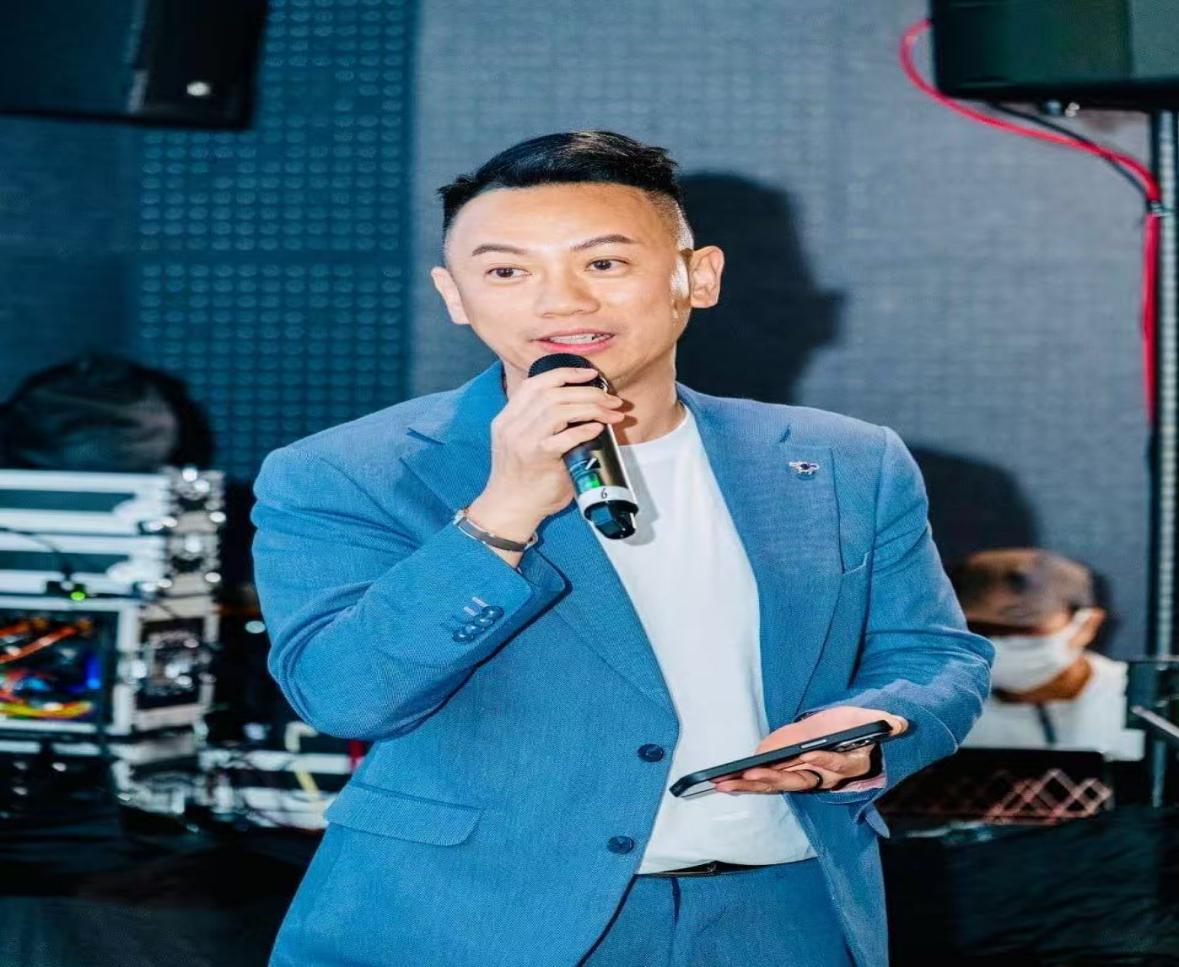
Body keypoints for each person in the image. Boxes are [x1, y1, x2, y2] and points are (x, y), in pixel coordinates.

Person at [251, 131, 993, 967]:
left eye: (603, 263)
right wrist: (500, 515)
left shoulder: (844, 460)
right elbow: (345, 695)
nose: (560, 303)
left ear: (696, 277)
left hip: (778, 917)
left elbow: (933, 653)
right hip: (468, 922)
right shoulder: (347, 471)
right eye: (507, 272)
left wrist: (875, 727)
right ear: (454, 295)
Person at [953, 547, 1143, 760]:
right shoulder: (945, 708)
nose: (998, 640)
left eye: (1025, 629)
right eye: (979, 629)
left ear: (1087, 624)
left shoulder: (1148, 703)